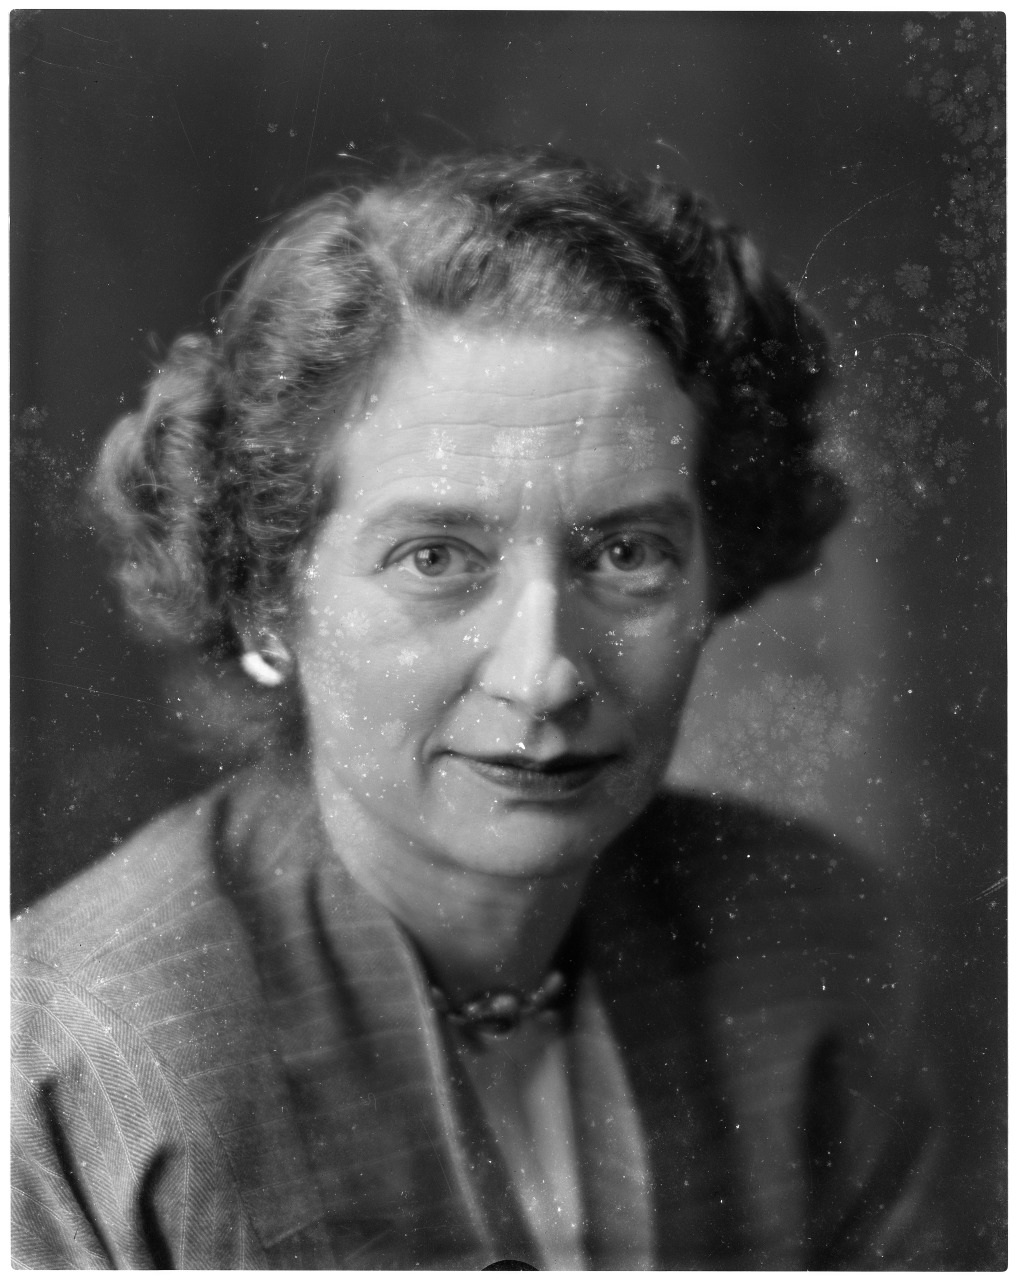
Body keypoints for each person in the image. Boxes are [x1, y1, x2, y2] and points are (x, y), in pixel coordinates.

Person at [12, 150, 938, 1269]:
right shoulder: (73, 1059)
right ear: (269, 597)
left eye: (628, 551)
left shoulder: (822, 948)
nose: (542, 671)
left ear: (716, 571)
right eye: (438, 555)